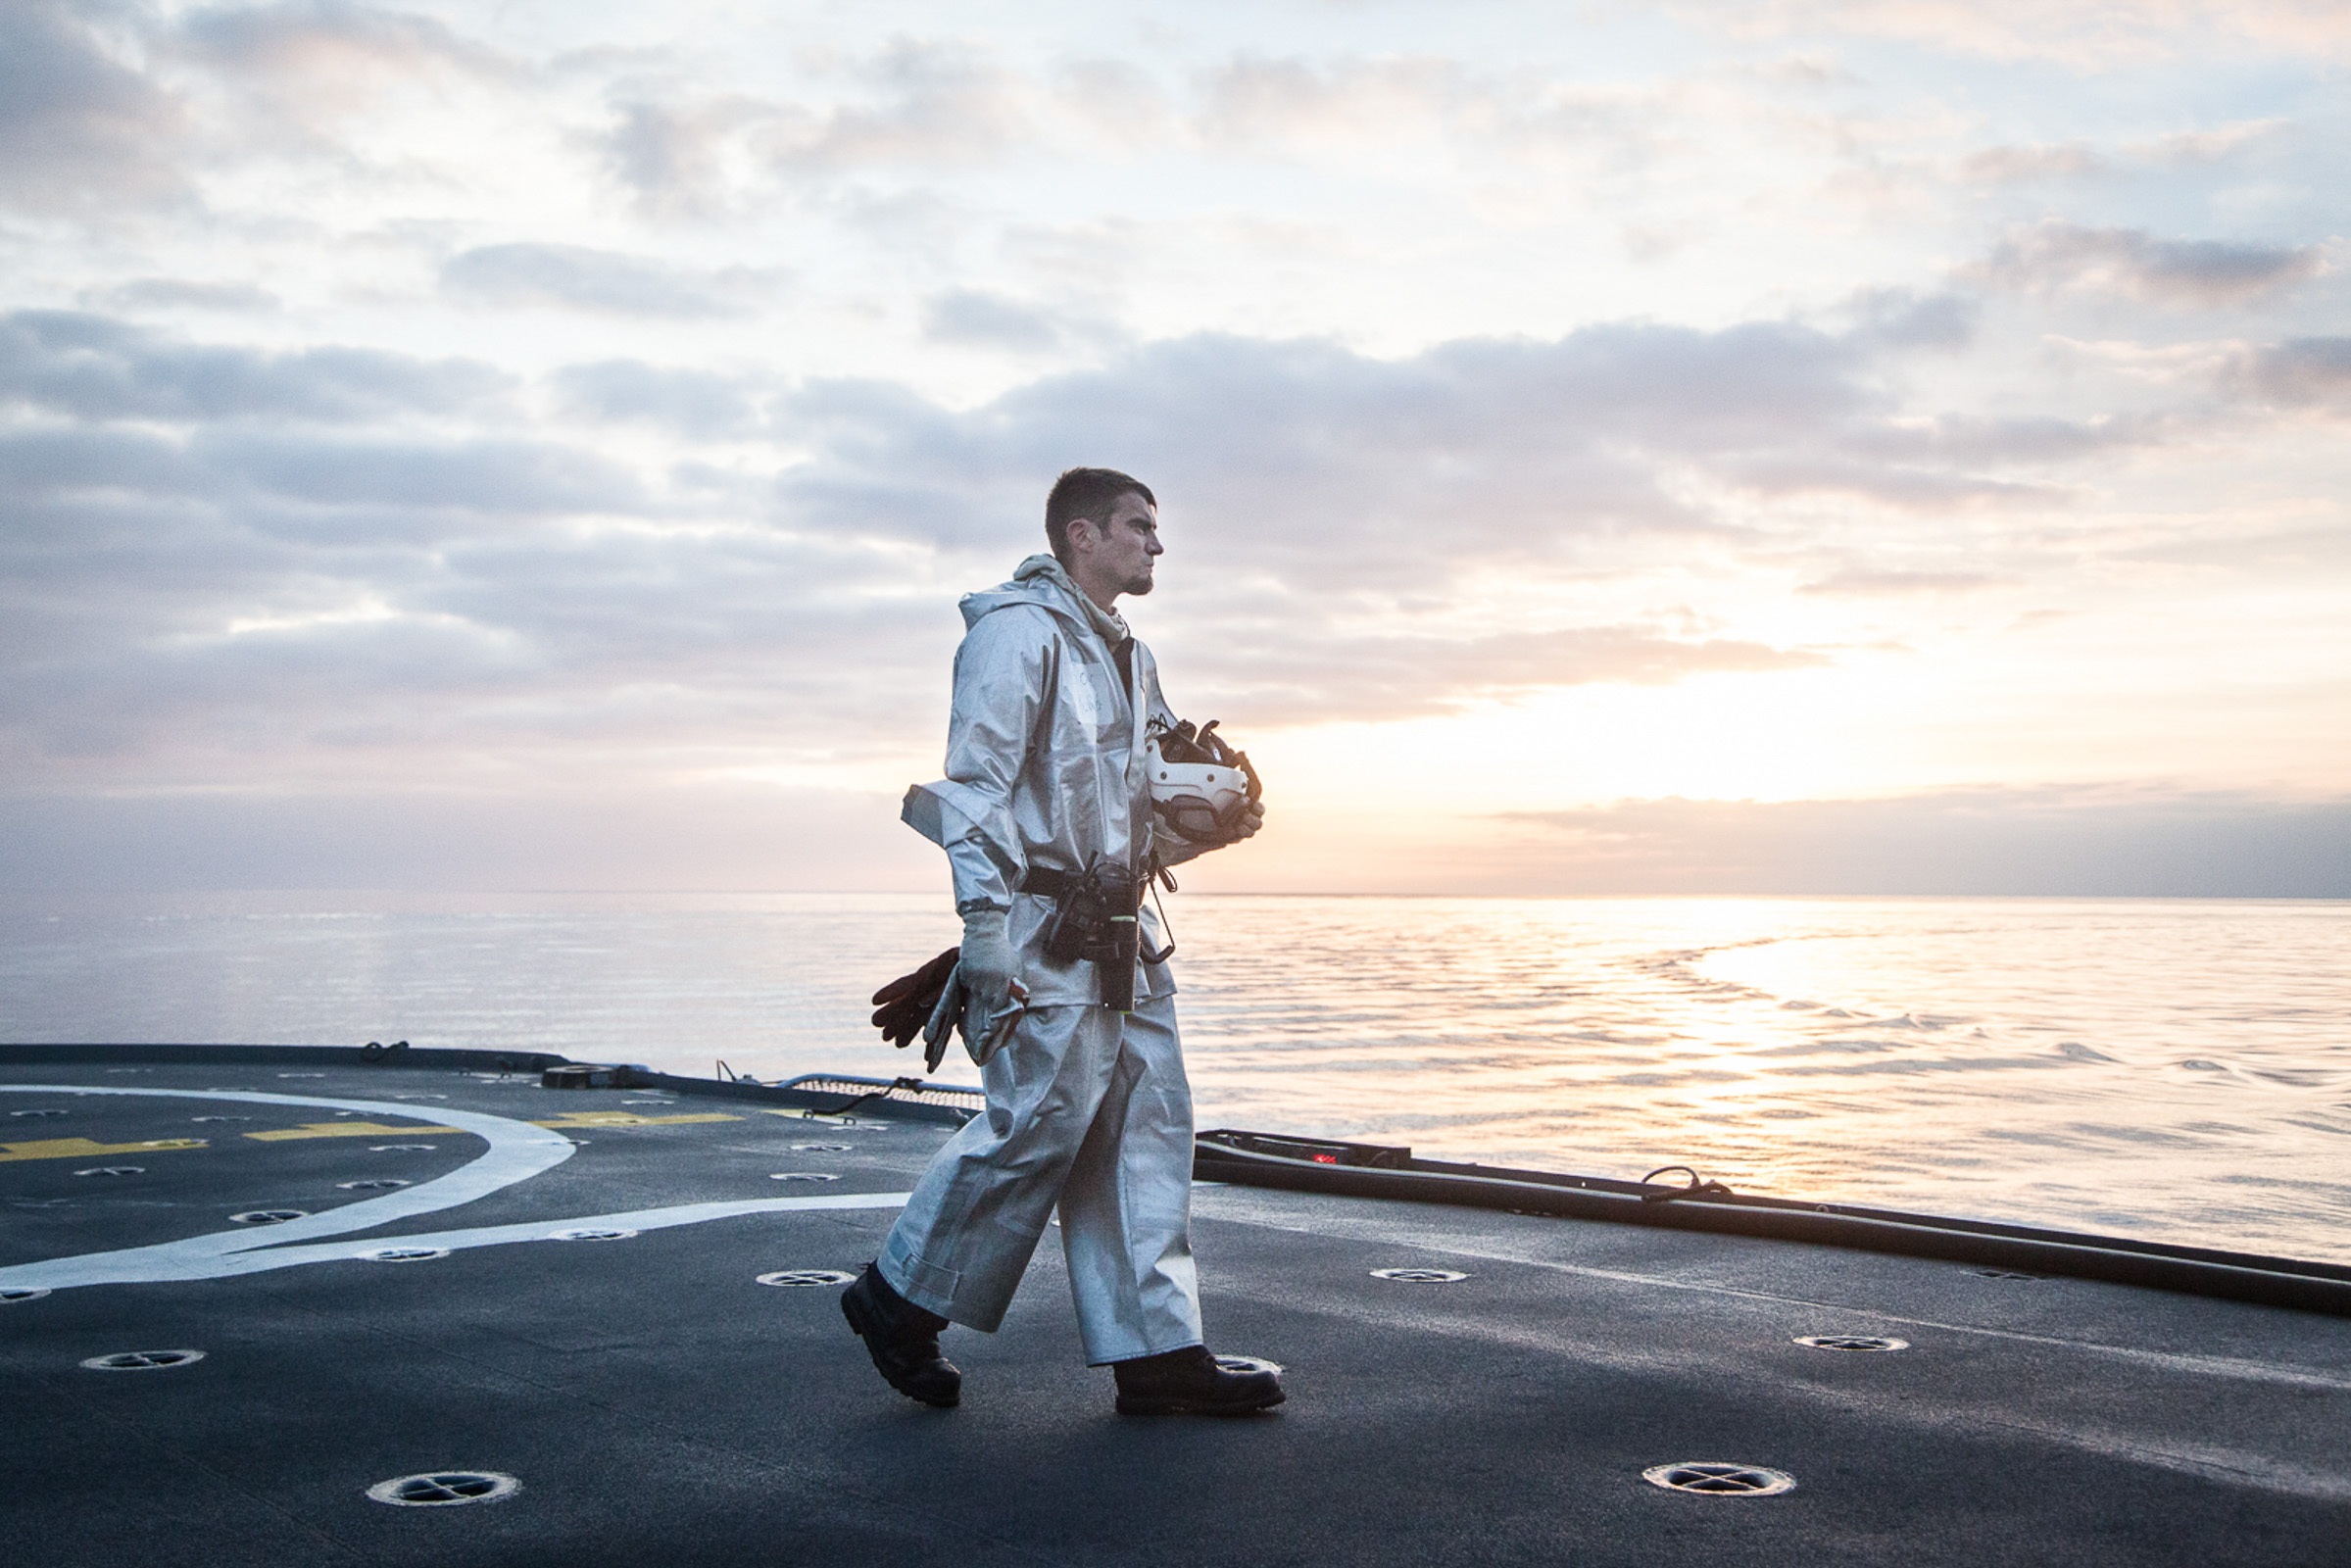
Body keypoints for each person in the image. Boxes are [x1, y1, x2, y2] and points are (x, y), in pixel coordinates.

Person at [841, 466, 1282, 1417]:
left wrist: (1209, 821)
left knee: (1146, 1127)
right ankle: (894, 1298)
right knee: (1037, 1120)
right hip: (1042, 933)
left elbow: (1135, 813)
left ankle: (1157, 1350)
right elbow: (975, 794)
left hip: (1129, 932)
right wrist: (980, 934)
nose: (1155, 545)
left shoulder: (1130, 655)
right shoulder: (1013, 635)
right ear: (1080, 537)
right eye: (1138, 526)